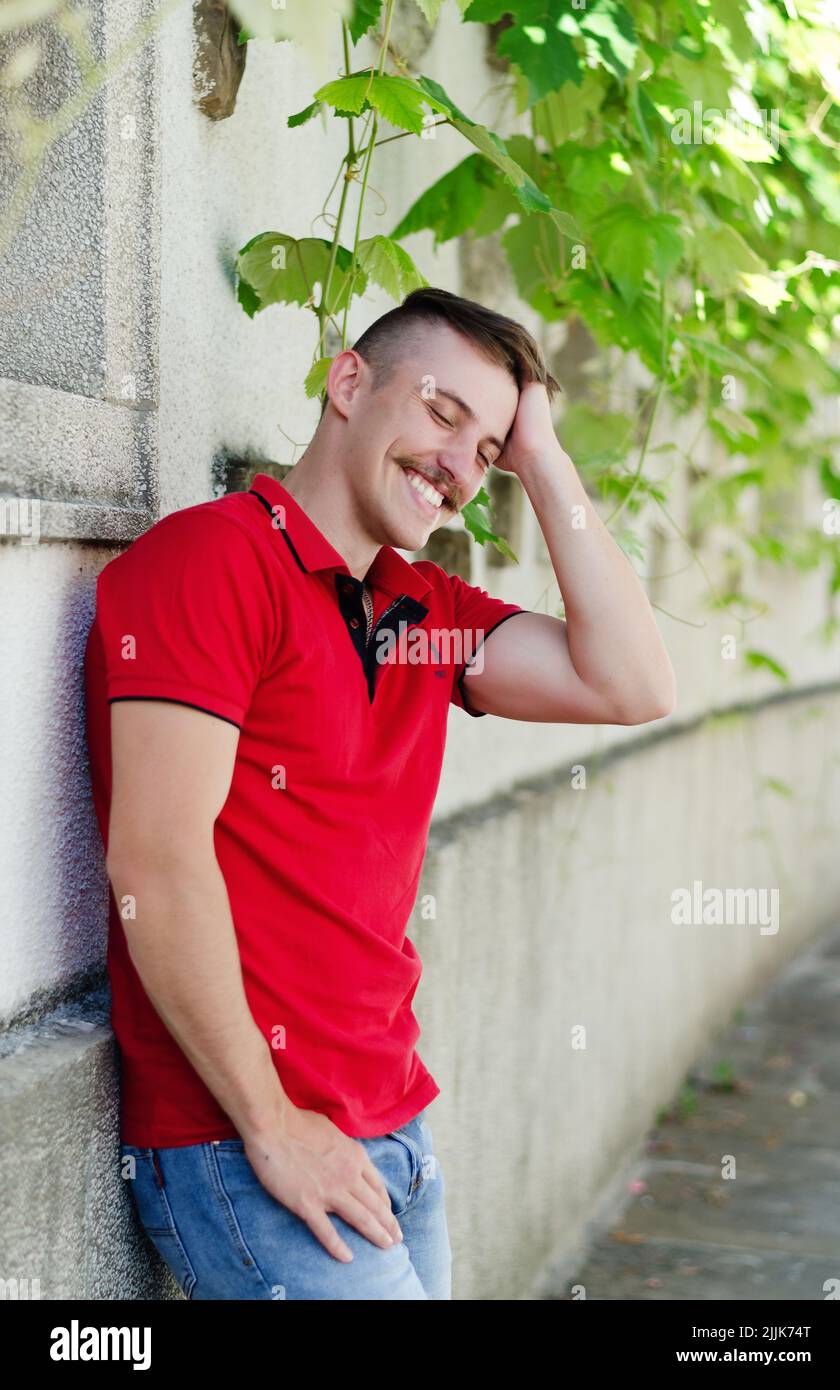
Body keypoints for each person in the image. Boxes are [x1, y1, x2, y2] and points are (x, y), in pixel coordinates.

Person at [84, 286, 676, 1300]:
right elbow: (155, 861)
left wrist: (541, 457)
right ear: (347, 381)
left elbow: (633, 683)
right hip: (244, 1140)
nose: (458, 466)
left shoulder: (422, 614)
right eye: (444, 414)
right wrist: (272, 1126)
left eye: (484, 449)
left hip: (391, 1124)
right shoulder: (211, 560)